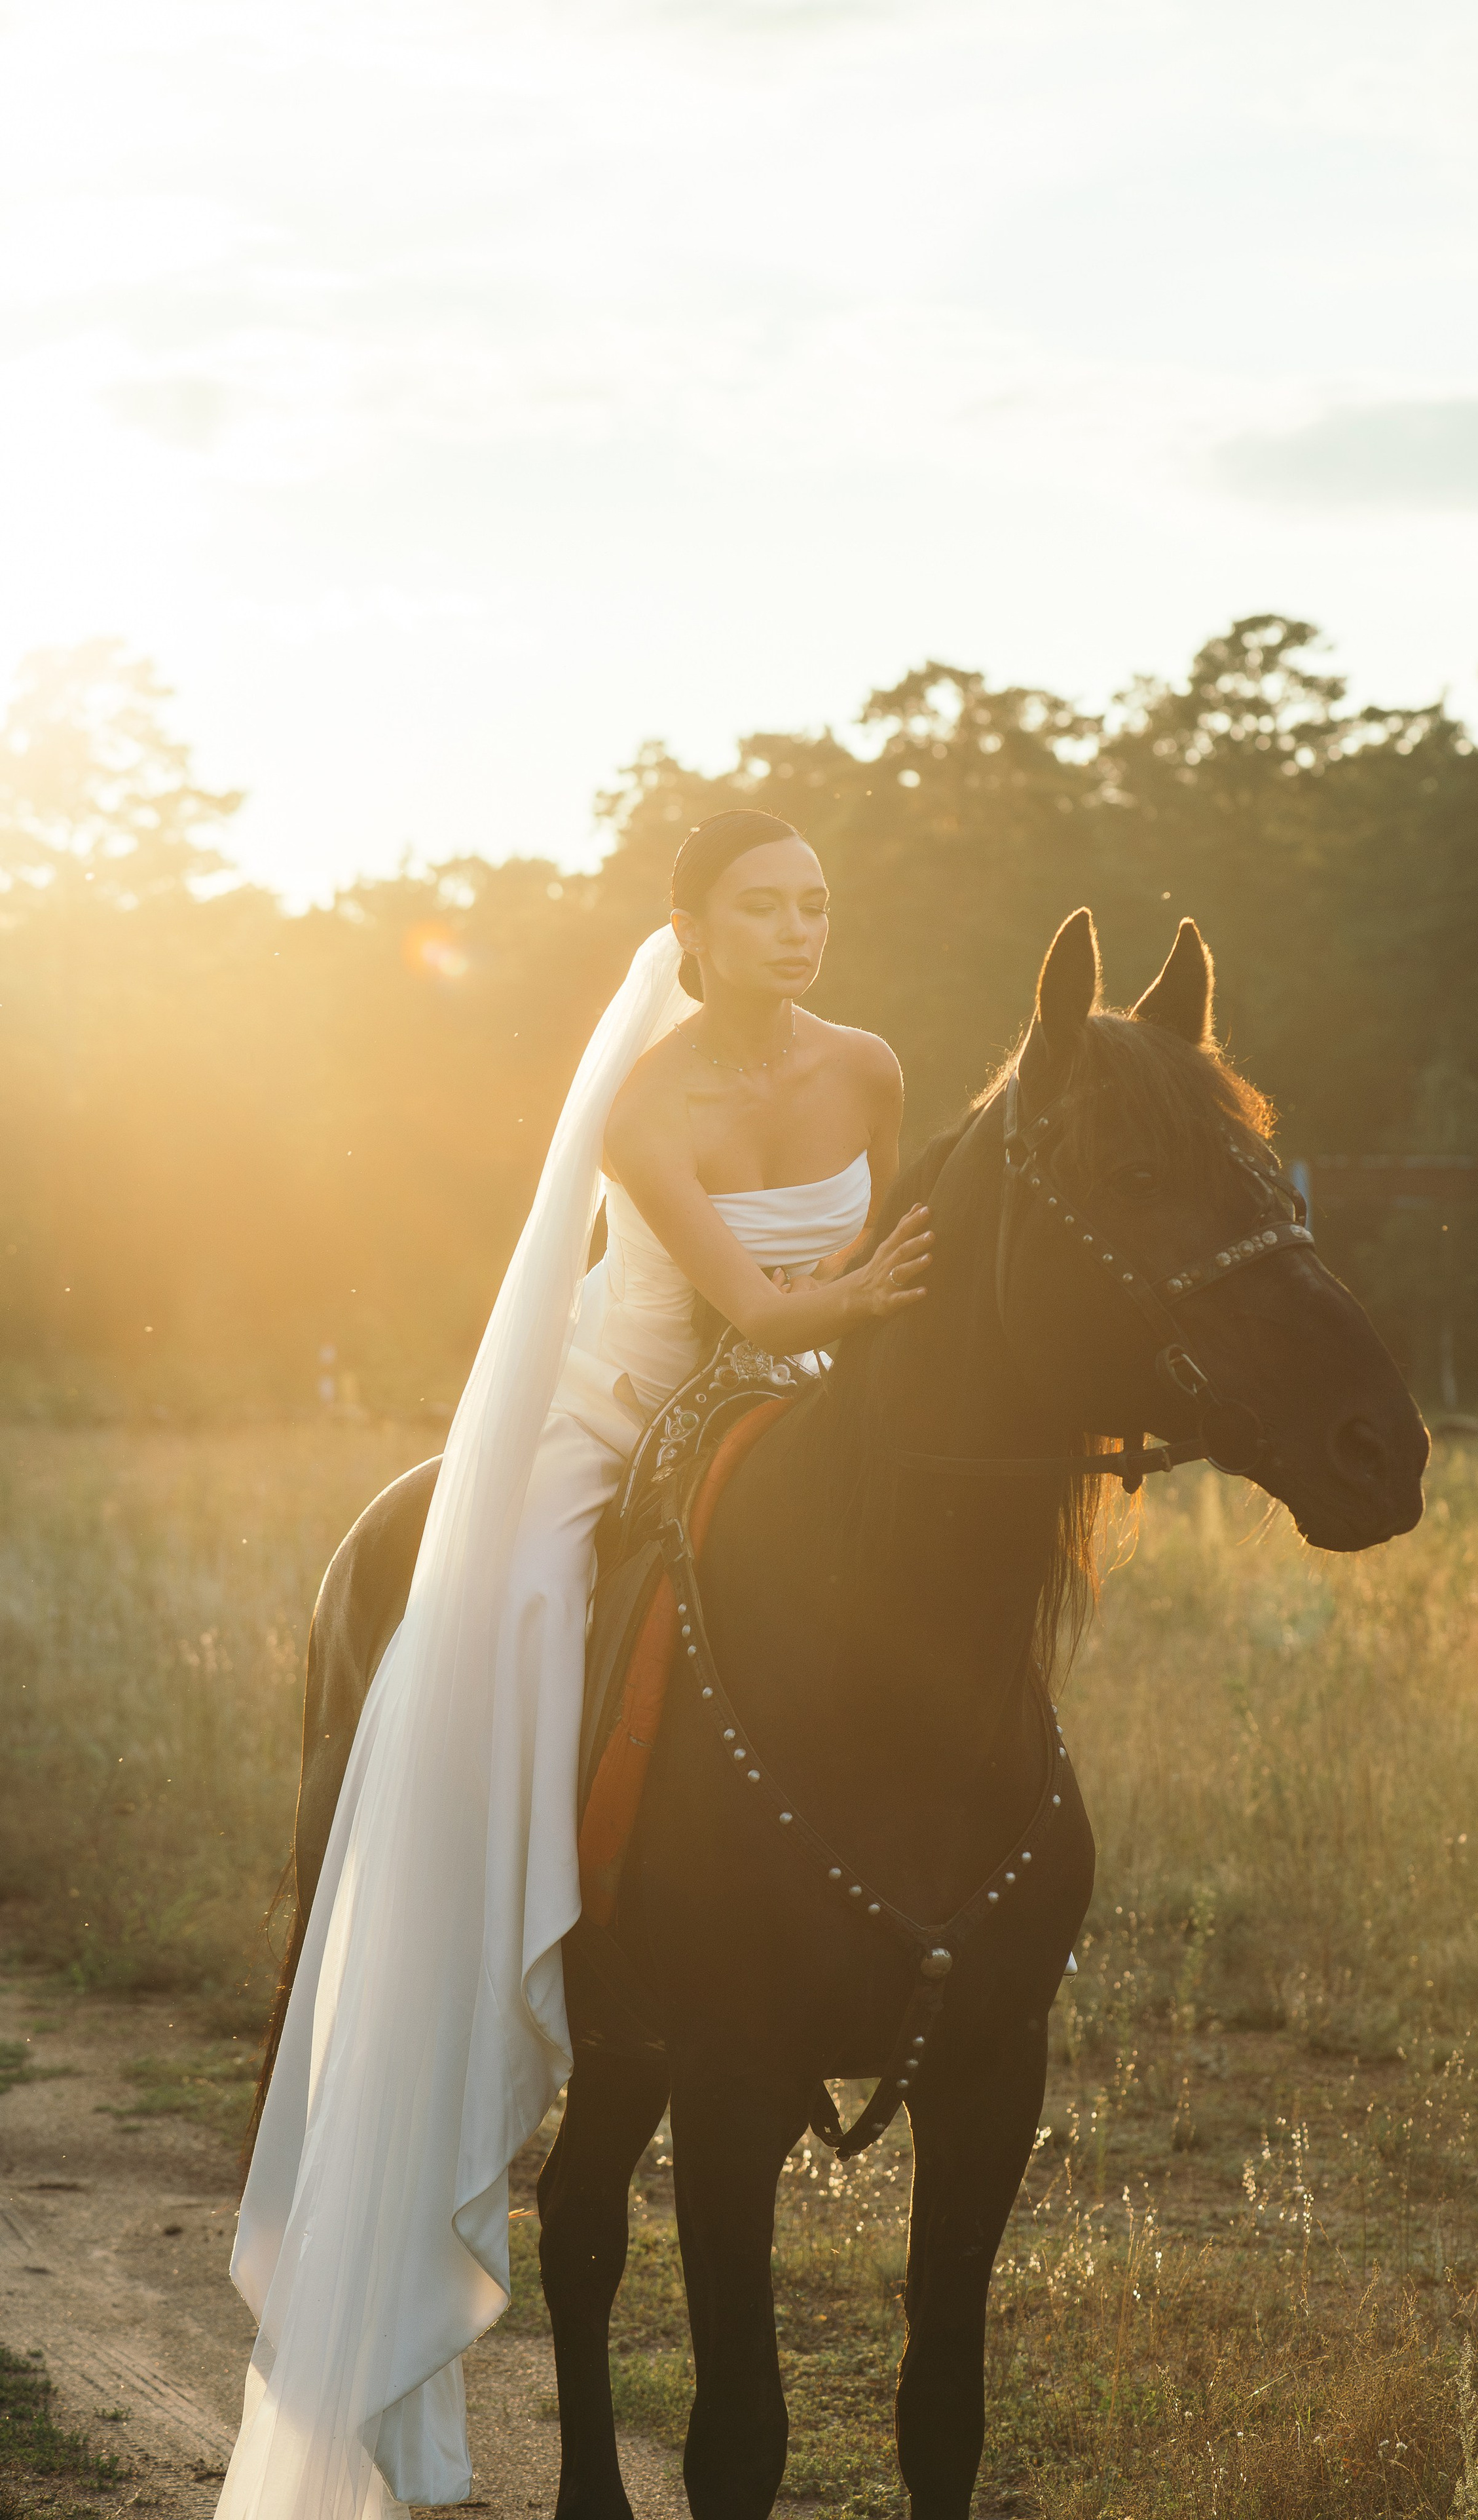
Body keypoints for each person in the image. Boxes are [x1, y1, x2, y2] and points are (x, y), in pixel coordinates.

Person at [217, 811, 933, 2520]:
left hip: (812, 1420)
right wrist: (882, 1294)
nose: (799, 928)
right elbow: (755, 1314)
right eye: (764, 904)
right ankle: (532, 1920)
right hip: (638, 1408)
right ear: (692, 924)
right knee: (523, 1618)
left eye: (817, 902)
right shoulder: (646, 1095)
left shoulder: (874, 1068)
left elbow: (856, 1290)